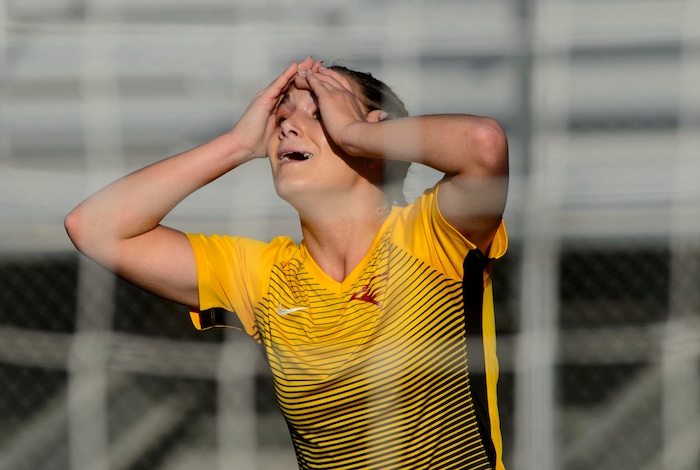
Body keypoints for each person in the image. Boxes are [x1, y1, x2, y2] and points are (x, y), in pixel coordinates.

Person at [65, 56, 509, 470]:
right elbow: (93, 227)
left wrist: (354, 131)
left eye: (319, 112)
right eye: (282, 115)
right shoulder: (263, 275)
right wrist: (238, 145)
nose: (287, 127)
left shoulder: (430, 236)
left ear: (378, 139)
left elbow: (483, 145)